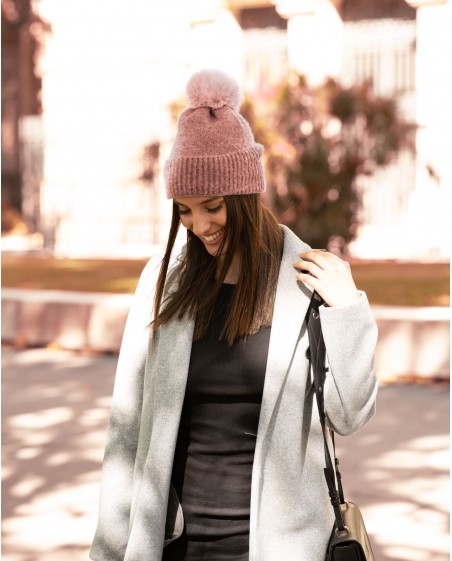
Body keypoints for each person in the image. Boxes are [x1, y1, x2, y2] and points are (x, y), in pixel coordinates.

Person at [89, 69, 378, 561]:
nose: (198, 225)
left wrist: (347, 310)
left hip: (280, 549)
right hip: (175, 547)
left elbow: (349, 416)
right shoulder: (164, 281)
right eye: (184, 211)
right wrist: (107, 552)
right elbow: (127, 429)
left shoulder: (306, 282)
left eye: (212, 207)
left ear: (245, 196)